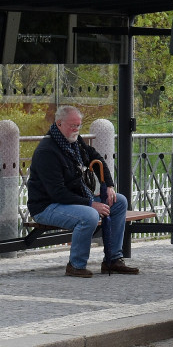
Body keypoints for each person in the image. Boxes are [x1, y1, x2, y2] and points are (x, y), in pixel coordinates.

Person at [28, 105, 140, 277]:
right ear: (59, 124)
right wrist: (90, 203)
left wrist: (109, 185)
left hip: (74, 199)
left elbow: (96, 158)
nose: (76, 129)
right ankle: (76, 265)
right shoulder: (47, 151)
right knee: (90, 215)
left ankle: (113, 259)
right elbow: (57, 193)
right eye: (72, 125)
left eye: (78, 125)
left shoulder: (74, 141)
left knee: (119, 201)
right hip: (47, 206)